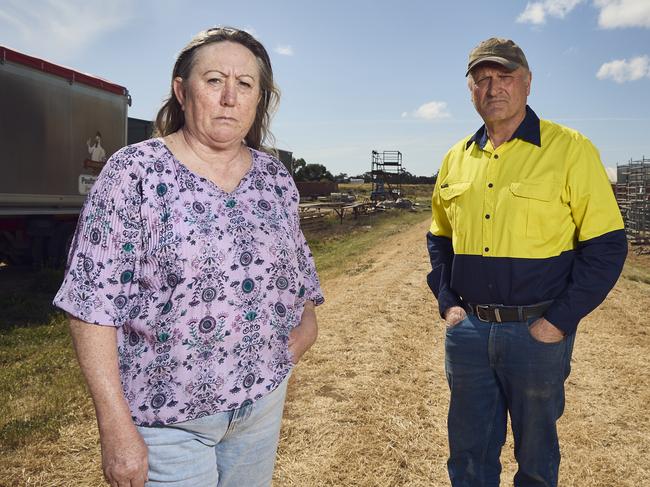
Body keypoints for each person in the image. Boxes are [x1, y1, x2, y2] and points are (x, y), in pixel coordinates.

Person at [54, 26, 324, 487]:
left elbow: (297, 263)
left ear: (259, 99)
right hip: (167, 422)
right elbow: (91, 305)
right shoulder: (133, 173)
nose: (229, 98)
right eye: (214, 80)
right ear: (182, 90)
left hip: (260, 404)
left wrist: (308, 322)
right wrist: (115, 428)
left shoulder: (274, 178)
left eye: (245, 85)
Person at [427, 37, 627, 487]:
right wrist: (447, 301)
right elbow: (438, 238)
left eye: (505, 77)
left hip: (537, 335)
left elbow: (608, 246)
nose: (493, 87)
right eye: (482, 80)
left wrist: (558, 321)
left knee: (536, 458)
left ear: (528, 83)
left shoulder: (570, 149)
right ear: (471, 91)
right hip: (470, 334)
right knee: (469, 456)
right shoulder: (455, 158)